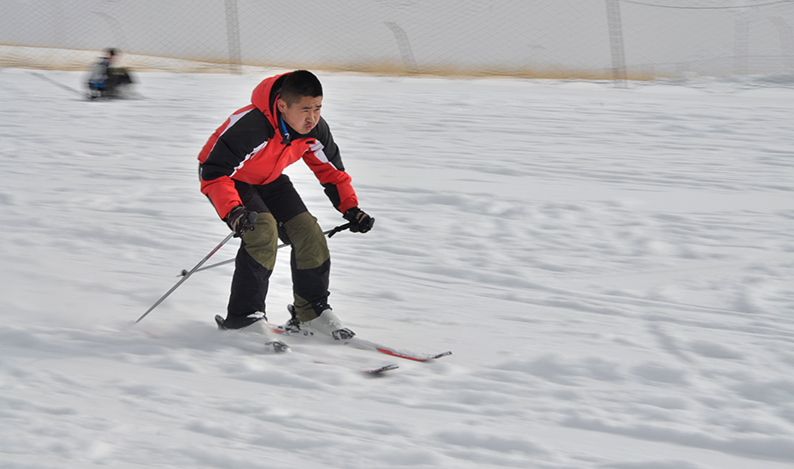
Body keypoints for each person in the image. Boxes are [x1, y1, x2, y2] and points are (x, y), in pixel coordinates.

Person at [198, 70, 374, 343]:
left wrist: (351, 208)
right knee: (262, 231)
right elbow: (212, 171)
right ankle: (243, 319)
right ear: (282, 105)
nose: (312, 117)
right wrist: (233, 210)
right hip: (231, 179)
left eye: (317, 108)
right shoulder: (252, 125)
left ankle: (310, 313)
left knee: (309, 233)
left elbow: (332, 172)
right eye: (305, 109)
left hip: (271, 181)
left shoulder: (313, 130)